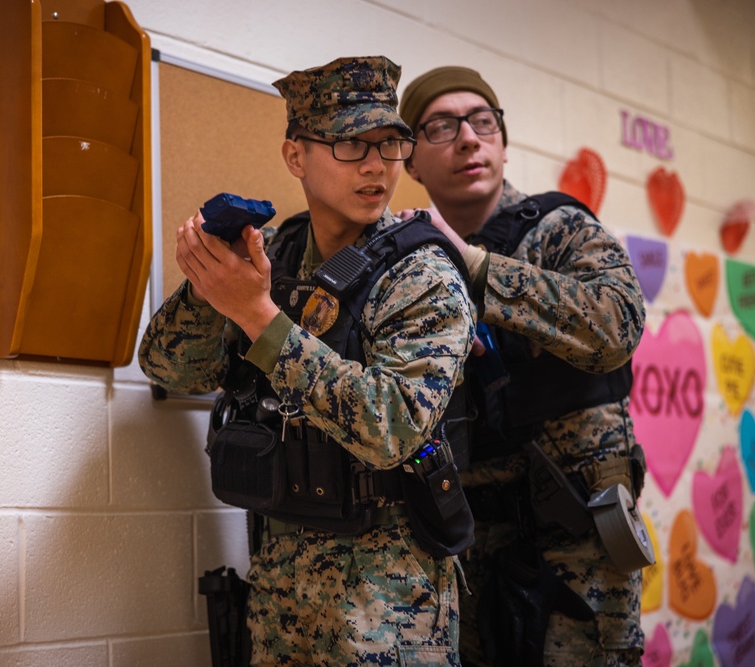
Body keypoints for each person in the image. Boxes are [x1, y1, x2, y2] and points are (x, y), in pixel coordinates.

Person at [139, 56, 477, 666]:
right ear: (296, 157)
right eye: (351, 144)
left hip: (390, 606)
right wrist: (210, 285)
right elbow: (168, 369)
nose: (377, 165)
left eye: (390, 143)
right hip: (280, 592)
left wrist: (261, 320)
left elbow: (392, 426)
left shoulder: (422, 275)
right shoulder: (279, 255)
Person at [398, 66, 647, 667]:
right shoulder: (410, 265)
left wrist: (481, 269)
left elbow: (619, 324)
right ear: (408, 160)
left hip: (577, 544)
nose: (467, 138)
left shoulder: (558, 227)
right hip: (464, 546)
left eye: (483, 122)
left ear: (503, 143)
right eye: (441, 126)